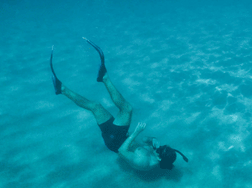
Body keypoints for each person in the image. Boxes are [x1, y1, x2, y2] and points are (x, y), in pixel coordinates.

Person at [50, 38, 188, 171]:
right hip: (121, 137)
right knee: (96, 106)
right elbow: (145, 140)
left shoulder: (144, 163)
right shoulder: (157, 152)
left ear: (159, 158)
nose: (159, 148)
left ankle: (104, 78)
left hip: (115, 142)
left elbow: (122, 152)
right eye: (163, 147)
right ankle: (61, 89)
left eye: (160, 149)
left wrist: (135, 133)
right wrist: (153, 140)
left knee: (126, 108)